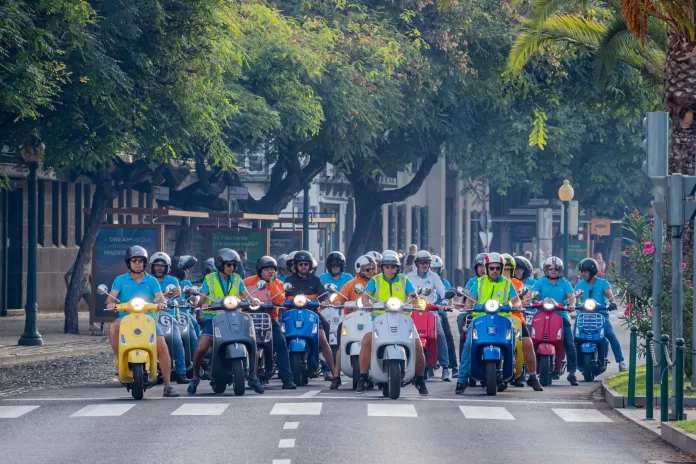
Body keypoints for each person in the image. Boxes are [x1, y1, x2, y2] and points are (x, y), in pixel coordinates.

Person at [455, 253, 541, 393]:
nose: (495, 271)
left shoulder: (507, 283)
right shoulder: (479, 282)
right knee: (468, 345)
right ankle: (462, 380)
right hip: (480, 319)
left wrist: (517, 305)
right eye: (492, 268)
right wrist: (467, 305)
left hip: (503, 319)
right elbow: (470, 299)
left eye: (497, 268)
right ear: (487, 268)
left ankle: (513, 366)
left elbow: (515, 299)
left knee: (514, 341)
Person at [105, 245, 179, 397]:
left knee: (162, 347)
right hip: (125, 318)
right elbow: (110, 297)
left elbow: (160, 297)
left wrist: (162, 303)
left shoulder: (152, 281)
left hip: (148, 319)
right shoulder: (120, 280)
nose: (137, 263)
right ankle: (120, 361)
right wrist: (111, 303)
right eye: (134, 260)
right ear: (129, 263)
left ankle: (168, 385)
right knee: (113, 328)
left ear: (145, 263)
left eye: (140, 260)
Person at [187, 248, 264, 395]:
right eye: (228, 265)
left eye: (233, 265)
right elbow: (202, 296)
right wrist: (201, 302)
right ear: (220, 264)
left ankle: (254, 377)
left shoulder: (236, 278)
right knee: (201, 347)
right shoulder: (209, 278)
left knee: (252, 342)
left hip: (235, 317)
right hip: (214, 318)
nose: (231, 268)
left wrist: (253, 300)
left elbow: (246, 294)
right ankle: (195, 378)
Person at [356, 250, 430, 395]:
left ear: (398, 268)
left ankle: (420, 379)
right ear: (382, 267)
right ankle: (363, 377)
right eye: (387, 267)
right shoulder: (375, 280)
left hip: (403, 318)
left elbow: (413, 295)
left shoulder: (404, 280)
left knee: (418, 346)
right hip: (379, 319)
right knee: (366, 341)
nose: (390, 270)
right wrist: (366, 303)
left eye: (393, 267)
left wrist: (416, 302)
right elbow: (366, 295)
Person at [284, 250, 339, 382]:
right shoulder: (289, 281)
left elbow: (323, 295)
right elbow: (282, 295)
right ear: (296, 266)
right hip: (292, 315)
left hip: (311, 315)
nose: (304, 266)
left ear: (310, 266)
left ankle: (334, 371)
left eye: (306, 264)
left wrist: (325, 300)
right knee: (280, 338)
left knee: (323, 338)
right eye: (301, 264)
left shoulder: (315, 280)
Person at [244, 256, 297, 389]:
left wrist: (272, 283)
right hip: (249, 318)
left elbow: (279, 301)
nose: (270, 272)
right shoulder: (248, 282)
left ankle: (287, 378)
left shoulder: (278, 283)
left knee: (281, 344)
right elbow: (239, 296)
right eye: (267, 269)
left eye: (273, 269)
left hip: (269, 319)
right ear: (260, 270)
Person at [329, 254, 378, 389]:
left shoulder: (377, 282)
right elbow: (340, 297)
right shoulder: (351, 284)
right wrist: (337, 301)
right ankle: (336, 376)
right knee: (340, 344)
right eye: (367, 269)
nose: (371, 272)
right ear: (359, 269)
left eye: (373, 269)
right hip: (352, 319)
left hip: (372, 318)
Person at [531, 256, 578, 385]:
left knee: (570, 343)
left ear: (560, 270)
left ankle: (572, 373)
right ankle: (529, 370)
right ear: (546, 270)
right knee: (529, 341)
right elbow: (531, 294)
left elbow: (571, 296)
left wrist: (571, 304)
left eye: (556, 269)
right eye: (550, 269)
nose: (553, 271)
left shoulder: (564, 283)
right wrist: (530, 299)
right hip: (540, 315)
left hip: (560, 315)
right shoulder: (540, 282)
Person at [405, 250, 451, 381]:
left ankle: (446, 367)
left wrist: (444, 303)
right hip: (413, 312)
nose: (424, 265)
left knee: (440, 335)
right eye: (422, 263)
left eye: (426, 263)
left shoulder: (434, 277)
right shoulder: (409, 277)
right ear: (417, 263)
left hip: (430, 311)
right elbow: (402, 294)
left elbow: (443, 293)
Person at [575, 258, 626, 371]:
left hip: (600, 315)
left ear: (592, 271)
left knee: (611, 335)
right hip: (583, 316)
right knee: (574, 337)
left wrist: (612, 303)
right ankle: (573, 363)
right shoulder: (579, 285)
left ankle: (621, 362)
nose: (583, 273)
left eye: (585, 271)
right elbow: (575, 299)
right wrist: (572, 305)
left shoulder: (603, 283)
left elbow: (610, 295)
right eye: (582, 271)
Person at [501, 254, 542, 390]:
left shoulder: (518, 284)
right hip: (498, 318)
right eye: (503, 269)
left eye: (508, 269)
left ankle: (532, 376)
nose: (505, 272)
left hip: (516, 318)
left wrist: (521, 302)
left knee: (527, 343)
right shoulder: (489, 283)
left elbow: (525, 295)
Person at [149, 252, 189, 384]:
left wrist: (167, 299)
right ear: (152, 266)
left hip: (169, 315)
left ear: (167, 267)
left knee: (177, 341)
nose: (159, 268)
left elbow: (177, 293)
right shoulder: (147, 280)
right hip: (150, 315)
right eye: (156, 265)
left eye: (162, 266)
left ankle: (181, 372)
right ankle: (149, 371)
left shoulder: (172, 280)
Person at [430, 255, 459, 376]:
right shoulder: (421, 280)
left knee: (447, 336)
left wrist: (447, 306)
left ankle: (453, 366)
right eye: (432, 269)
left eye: (436, 269)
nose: (433, 271)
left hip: (440, 313)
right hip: (424, 313)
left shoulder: (444, 282)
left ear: (440, 270)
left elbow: (449, 298)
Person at [64, 259, 100, 331]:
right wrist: (69, 288)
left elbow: (89, 277)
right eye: (88, 256)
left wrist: (94, 288)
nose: (90, 258)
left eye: (90, 256)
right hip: (77, 290)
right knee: (71, 306)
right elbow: (66, 276)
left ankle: (91, 324)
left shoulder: (89, 265)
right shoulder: (76, 265)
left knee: (92, 306)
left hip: (86, 290)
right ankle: (68, 324)